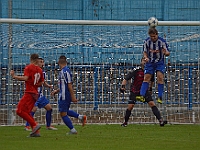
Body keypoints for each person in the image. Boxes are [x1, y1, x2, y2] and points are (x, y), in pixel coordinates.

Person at [120, 57, 165, 127]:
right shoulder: (137, 70)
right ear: (141, 62)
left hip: (144, 91)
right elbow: (126, 78)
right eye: (143, 60)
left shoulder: (150, 71)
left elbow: (152, 80)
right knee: (130, 106)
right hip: (134, 91)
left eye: (146, 60)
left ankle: (160, 120)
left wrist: (150, 88)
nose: (145, 61)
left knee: (152, 104)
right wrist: (123, 86)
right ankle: (125, 122)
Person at [10, 53, 44, 137]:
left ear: (31, 59)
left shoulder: (29, 67)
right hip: (35, 94)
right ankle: (36, 132)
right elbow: (41, 82)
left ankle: (34, 124)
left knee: (19, 111)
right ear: (37, 60)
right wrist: (35, 84)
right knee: (27, 112)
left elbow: (25, 78)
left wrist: (14, 76)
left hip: (29, 92)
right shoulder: (40, 70)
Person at [51, 55, 87, 134]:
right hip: (63, 94)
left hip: (64, 96)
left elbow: (69, 85)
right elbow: (64, 85)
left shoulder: (65, 71)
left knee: (63, 113)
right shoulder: (64, 71)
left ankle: (73, 130)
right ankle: (81, 117)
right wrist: (56, 91)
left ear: (59, 63)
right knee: (65, 111)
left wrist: (73, 97)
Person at [25, 57, 57, 131]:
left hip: (40, 95)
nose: (42, 63)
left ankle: (48, 126)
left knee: (49, 108)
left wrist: (48, 85)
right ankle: (27, 126)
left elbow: (43, 82)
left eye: (43, 62)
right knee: (33, 109)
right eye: (40, 62)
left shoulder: (43, 72)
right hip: (33, 95)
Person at [139, 27, 170, 104]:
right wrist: (146, 57)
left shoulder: (162, 42)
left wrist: (165, 53)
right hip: (150, 62)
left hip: (160, 62)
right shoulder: (146, 41)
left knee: (160, 77)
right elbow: (145, 52)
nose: (153, 38)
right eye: (151, 36)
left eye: (154, 36)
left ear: (157, 34)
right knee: (146, 78)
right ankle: (142, 95)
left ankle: (160, 97)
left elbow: (167, 53)